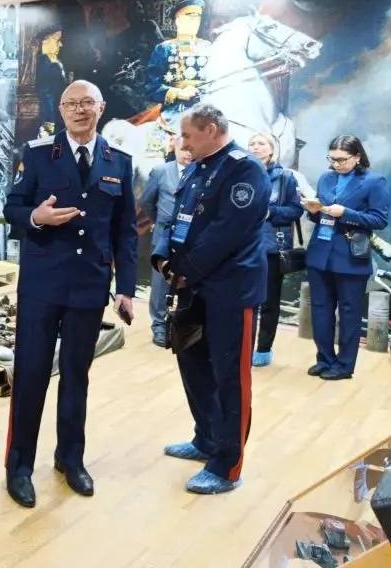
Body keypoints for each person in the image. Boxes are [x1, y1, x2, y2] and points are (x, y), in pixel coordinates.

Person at [3, 80, 137, 507]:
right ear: (60, 110)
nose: (79, 110)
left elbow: (125, 231)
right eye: (71, 104)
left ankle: (70, 459)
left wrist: (126, 288)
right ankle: (19, 468)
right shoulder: (38, 155)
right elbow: (12, 207)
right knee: (31, 375)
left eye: (87, 103)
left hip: (88, 286)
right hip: (42, 285)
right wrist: (36, 217)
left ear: (101, 107)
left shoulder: (119, 162)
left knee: (77, 377)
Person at [152, 104, 269, 495]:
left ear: (212, 129)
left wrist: (185, 269)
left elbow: (226, 233)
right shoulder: (198, 168)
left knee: (229, 377)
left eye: (188, 136)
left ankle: (226, 465)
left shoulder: (245, 169)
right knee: (193, 364)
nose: (182, 144)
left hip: (230, 291)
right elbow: (175, 218)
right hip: (192, 285)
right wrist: (164, 259)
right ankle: (206, 439)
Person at [302, 135, 390, 380]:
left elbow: (379, 219)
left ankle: (344, 365)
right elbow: (321, 215)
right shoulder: (326, 177)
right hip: (320, 253)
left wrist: (347, 213)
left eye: (342, 159)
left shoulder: (374, 181)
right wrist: (313, 211)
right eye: (332, 159)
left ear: (357, 157)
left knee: (349, 313)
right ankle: (324, 359)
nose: (336, 164)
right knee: (320, 309)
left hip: (351, 256)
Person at [246, 132, 304, 367]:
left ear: (272, 150)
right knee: (243, 302)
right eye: (252, 143)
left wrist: (272, 212)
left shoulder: (286, 178)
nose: (256, 147)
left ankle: (263, 349)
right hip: (242, 248)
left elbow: (296, 210)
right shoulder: (241, 175)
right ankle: (242, 348)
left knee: (269, 302)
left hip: (270, 249)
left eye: (261, 143)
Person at [140, 135, 193, 347]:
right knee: (160, 283)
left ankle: (184, 325)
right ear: (175, 149)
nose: (188, 153)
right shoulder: (161, 171)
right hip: (164, 237)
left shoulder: (203, 172)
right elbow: (147, 201)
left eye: (191, 148)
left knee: (189, 283)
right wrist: (160, 222)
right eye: (183, 148)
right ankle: (159, 325)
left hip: (191, 239)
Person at [143, 0, 212, 131]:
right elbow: (151, 87)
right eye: (190, 18)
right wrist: (178, 93)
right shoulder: (164, 49)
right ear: (178, 21)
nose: (194, 22)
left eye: (197, 18)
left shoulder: (208, 48)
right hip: (174, 115)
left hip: (206, 113)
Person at [34, 27, 68, 135]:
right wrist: (50, 124)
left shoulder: (55, 62)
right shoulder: (45, 64)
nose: (60, 45)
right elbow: (47, 97)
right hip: (52, 119)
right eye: (57, 40)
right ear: (45, 41)